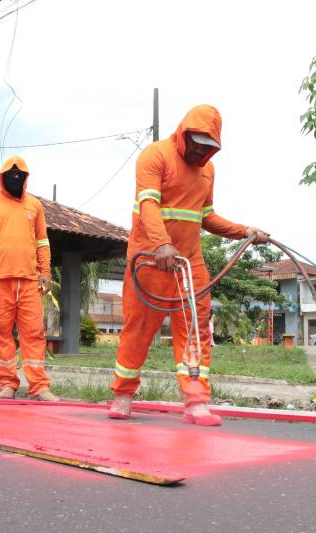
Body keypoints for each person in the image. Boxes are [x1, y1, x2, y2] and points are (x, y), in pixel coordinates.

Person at [108, 104, 269, 426]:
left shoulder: (208, 171)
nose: (200, 151)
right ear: (183, 134)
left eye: (208, 147)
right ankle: (123, 396)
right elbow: (148, 204)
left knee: (195, 330)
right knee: (138, 329)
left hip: (189, 263)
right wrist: (161, 244)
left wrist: (244, 231)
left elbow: (206, 215)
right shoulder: (155, 155)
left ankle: (196, 402)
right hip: (150, 259)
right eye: (196, 143)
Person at [0, 155, 55, 401]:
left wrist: (45, 271)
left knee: (34, 333)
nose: (16, 178)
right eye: (11, 175)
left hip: (29, 281)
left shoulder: (35, 206)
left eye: (21, 175)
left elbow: (42, 241)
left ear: (26, 178)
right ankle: (7, 384)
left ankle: (39, 387)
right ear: (2, 177)